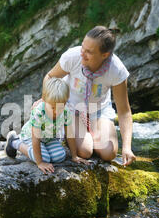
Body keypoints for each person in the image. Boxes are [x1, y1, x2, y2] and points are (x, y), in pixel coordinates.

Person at [42, 26, 136, 166]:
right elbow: (49, 77)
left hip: (98, 111)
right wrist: (47, 103)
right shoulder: (72, 56)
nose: (82, 54)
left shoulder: (117, 70)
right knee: (85, 151)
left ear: (105, 55)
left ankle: (93, 132)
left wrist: (127, 147)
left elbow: (124, 111)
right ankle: (71, 131)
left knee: (108, 153)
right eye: (82, 48)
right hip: (72, 108)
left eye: (89, 52)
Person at [5, 77, 89, 174]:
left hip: (49, 138)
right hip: (31, 137)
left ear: (65, 103)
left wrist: (74, 156)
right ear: (44, 100)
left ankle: (44, 149)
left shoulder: (66, 111)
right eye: (52, 107)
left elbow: (69, 135)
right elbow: (35, 139)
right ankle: (15, 141)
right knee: (44, 158)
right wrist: (40, 162)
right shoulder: (39, 112)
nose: (56, 112)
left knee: (60, 156)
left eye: (59, 108)